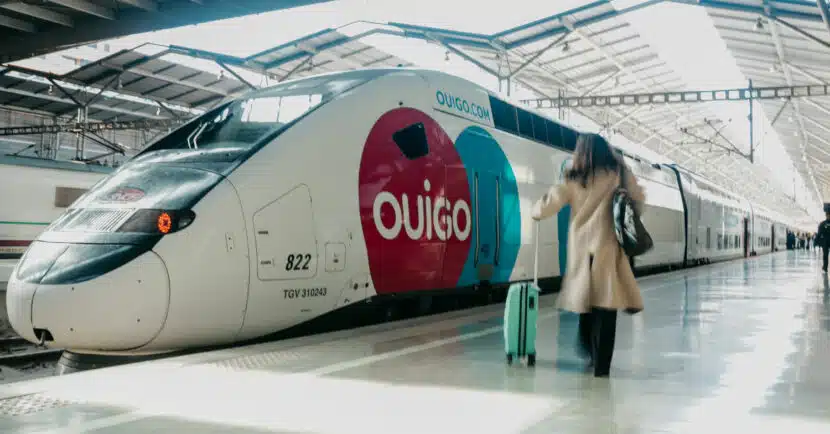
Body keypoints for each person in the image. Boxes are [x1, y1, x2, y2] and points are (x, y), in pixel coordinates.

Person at [531, 133, 646, 378]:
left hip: (582, 248)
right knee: (606, 305)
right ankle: (602, 365)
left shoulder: (574, 177)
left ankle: (588, 347)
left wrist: (536, 211)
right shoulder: (619, 173)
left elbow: (550, 201)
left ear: (580, 153)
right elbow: (639, 198)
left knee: (586, 301)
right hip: (608, 247)